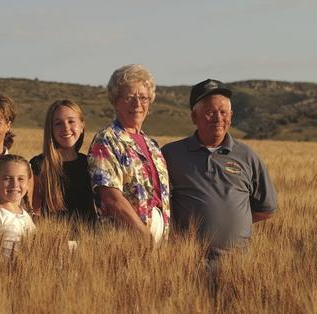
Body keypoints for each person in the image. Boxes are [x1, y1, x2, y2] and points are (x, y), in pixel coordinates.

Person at [161, 79, 277, 289]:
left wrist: (231, 224)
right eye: (210, 112)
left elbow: (266, 209)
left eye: (224, 112)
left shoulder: (247, 156)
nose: (218, 118)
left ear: (231, 117)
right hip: (187, 264)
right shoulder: (170, 154)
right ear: (194, 117)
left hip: (238, 265)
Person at [87, 64, 170, 244]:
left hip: (158, 242)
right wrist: (142, 234)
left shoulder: (153, 146)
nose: (137, 104)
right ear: (115, 100)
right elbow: (110, 196)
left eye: (143, 98)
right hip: (125, 241)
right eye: (130, 97)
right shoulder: (106, 140)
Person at [30, 100, 97, 228]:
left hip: (89, 243)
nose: (66, 127)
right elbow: (34, 212)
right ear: (51, 129)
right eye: (58, 123)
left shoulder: (91, 164)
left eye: (71, 121)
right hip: (52, 243)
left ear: (82, 125)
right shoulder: (39, 165)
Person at [0, 154, 36, 257]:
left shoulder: (26, 215)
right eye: (8, 179)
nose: (15, 184)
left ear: (28, 184)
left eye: (21, 179)